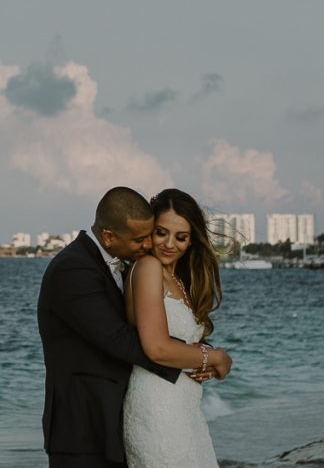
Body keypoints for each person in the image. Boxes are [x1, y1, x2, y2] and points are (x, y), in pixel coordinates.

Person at [38, 187, 233, 468]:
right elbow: (123, 340)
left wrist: (197, 355)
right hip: (83, 426)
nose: (148, 245)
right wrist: (203, 357)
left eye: (180, 236)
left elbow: (142, 328)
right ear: (109, 236)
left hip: (126, 416)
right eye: (144, 237)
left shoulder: (128, 265)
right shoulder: (73, 269)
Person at [122, 188, 226, 467]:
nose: (170, 244)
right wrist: (215, 357)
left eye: (181, 237)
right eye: (161, 233)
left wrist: (203, 357)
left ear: (192, 240)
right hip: (158, 411)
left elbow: (179, 343)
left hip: (185, 410)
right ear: (149, 231)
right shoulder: (147, 267)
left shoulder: (177, 277)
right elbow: (156, 347)